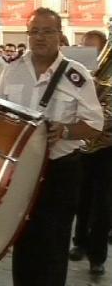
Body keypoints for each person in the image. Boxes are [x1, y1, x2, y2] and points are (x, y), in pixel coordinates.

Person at [0, 7, 104, 286]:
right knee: (22, 240)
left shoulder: (76, 75)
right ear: (28, 35)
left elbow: (95, 124)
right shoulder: (12, 70)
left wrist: (65, 130)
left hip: (60, 172)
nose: (40, 37)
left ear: (59, 35)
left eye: (47, 31)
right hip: (20, 171)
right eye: (34, 31)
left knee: (53, 245)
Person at [69, 29, 111, 276]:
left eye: (93, 49)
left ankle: (97, 256)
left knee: (103, 203)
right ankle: (79, 242)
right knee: (81, 198)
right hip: (83, 144)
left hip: (106, 146)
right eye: (84, 48)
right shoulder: (79, 74)